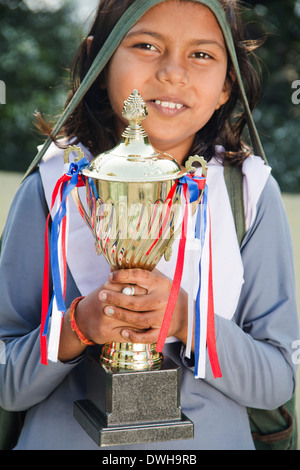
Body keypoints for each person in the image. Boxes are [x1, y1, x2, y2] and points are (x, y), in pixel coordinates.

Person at [0, 0, 298, 450]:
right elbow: (6, 381)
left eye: (201, 54)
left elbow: (278, 380)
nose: (173, 72)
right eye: (145, 45)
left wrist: (186, 319)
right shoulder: (53, 189)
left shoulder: (249, 195)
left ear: (226, 85)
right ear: (99, 64)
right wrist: (79, 325)